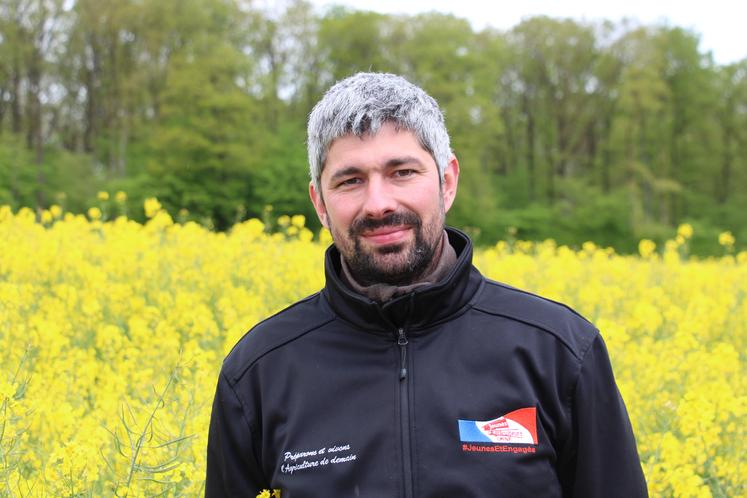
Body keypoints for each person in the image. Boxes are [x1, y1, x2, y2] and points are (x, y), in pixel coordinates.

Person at [206, 72, 648, 497]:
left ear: (447, 182)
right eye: (350, 180)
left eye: (403, 172)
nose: (378, 203)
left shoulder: (559, 352)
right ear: (320, 203)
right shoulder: (257, 374)